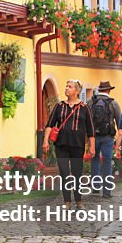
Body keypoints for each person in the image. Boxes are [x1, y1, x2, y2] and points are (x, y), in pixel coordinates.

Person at [43, 80, 95, 208]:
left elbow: (90, 129)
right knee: (64, 172)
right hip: (61, 145)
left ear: (77, 91)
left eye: (69, 87)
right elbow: (50, 124)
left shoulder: (84, 108)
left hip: (77, 145)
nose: (66, 88)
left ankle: (78, 200)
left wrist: (92, 146)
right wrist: (45, 140)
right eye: (66, 86)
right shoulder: (59, 106)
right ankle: (67, 201)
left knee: (77, 172)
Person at [89, 81, 121, 198]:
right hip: (108, 137)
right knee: (107, 161)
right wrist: (119, 139)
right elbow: (119, 122)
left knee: (95, 160)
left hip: (93, 136)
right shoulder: (114, 104)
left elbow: (86, 120)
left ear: (99, 90)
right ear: (109, 90)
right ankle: (107, 191)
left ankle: (96, 187)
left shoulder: (90, 101)